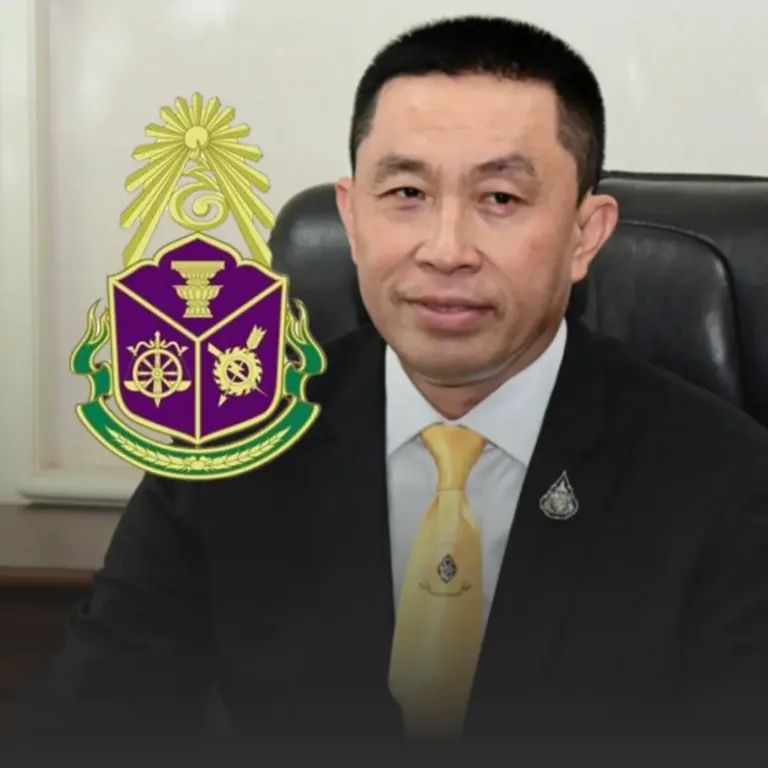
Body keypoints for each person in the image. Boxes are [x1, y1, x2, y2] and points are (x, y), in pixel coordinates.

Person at [6, 14, 768, 752]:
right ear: (352, 216)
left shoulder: (724, 479)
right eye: (405, 194)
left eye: (500, 199)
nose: (445, 249)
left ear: (584, 234)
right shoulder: (232, 442)